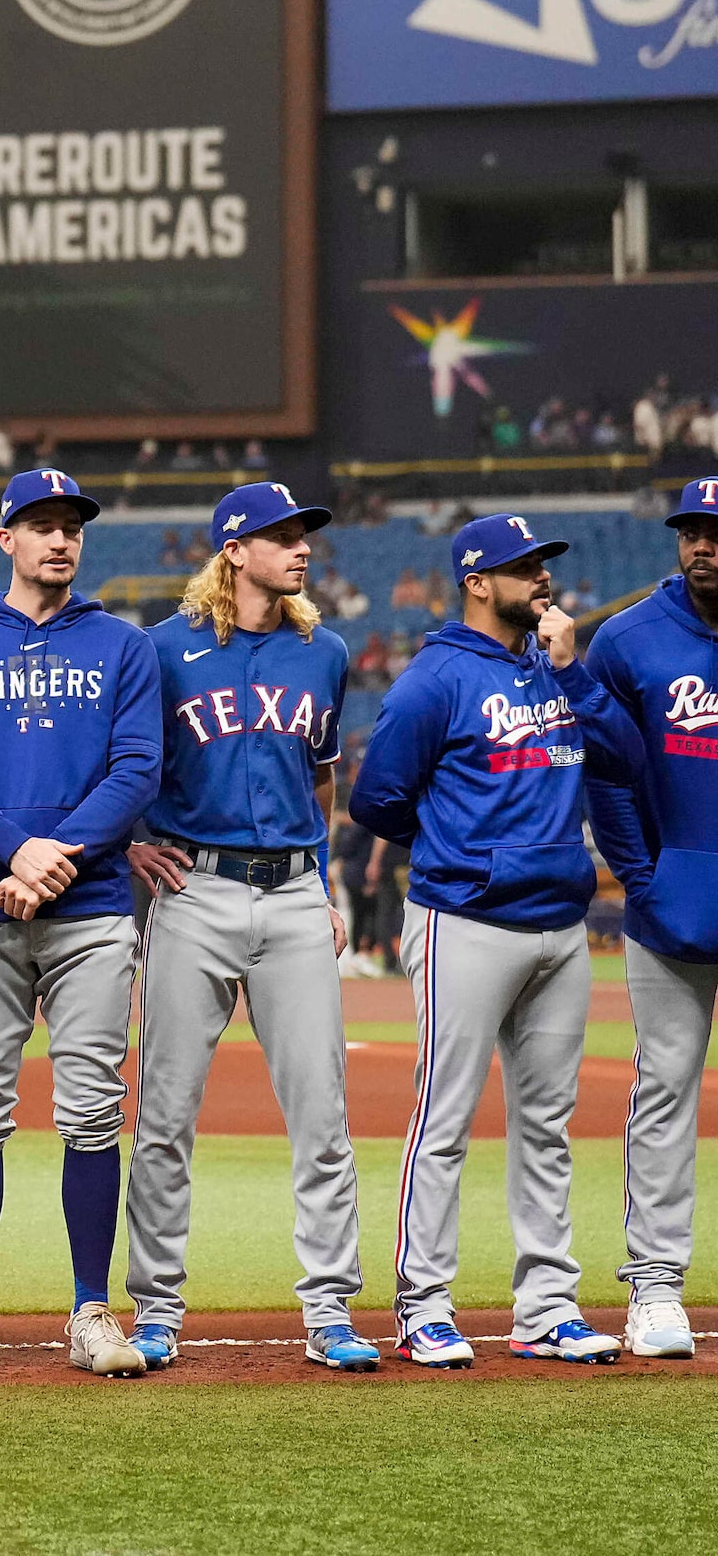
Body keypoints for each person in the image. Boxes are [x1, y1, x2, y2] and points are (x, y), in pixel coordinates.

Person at [351, 512, 645, 1368]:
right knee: (443, 1119)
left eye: (542, 563)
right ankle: (422, 1306)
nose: (540, 577)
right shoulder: (432, 679)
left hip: (559, 922)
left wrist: (572, 670)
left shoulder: (555, 668)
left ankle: (546, 1306)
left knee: (546, 1125)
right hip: (465, 919)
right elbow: (376, 800)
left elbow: (622, 757)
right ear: (476, 581)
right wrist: (463, 850)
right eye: (522, 567)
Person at [0, 469, 162, 1379]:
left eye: (72, 527)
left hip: (88, 906)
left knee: (91, 1109)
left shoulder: (121, 645)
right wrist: (18, 852)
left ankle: (92, 1310)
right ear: (4, 537)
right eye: (41, 525)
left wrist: (51, 859)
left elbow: (136, 770)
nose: (59, 540)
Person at [121, 483, 379, 1374]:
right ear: (234, 550)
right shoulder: (160, 650)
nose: (299, 547)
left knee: (322, 1115)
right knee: (163, 1114)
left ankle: (330, 1309)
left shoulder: (324, 650)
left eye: (302, 533)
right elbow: (117, 766)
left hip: (296, 897)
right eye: (279, 536)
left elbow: (320, 780)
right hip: (194, 890)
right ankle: (154, 1309)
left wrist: (323, 882)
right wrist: (127, 847)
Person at [582, 475, 718, 1359]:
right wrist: (641, 877)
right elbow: (601, 773)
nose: (701, 545)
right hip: (676, 899)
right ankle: (656, 1288)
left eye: (716, 532)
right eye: (690, 532)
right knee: (664, 1090)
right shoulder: (627, 638)